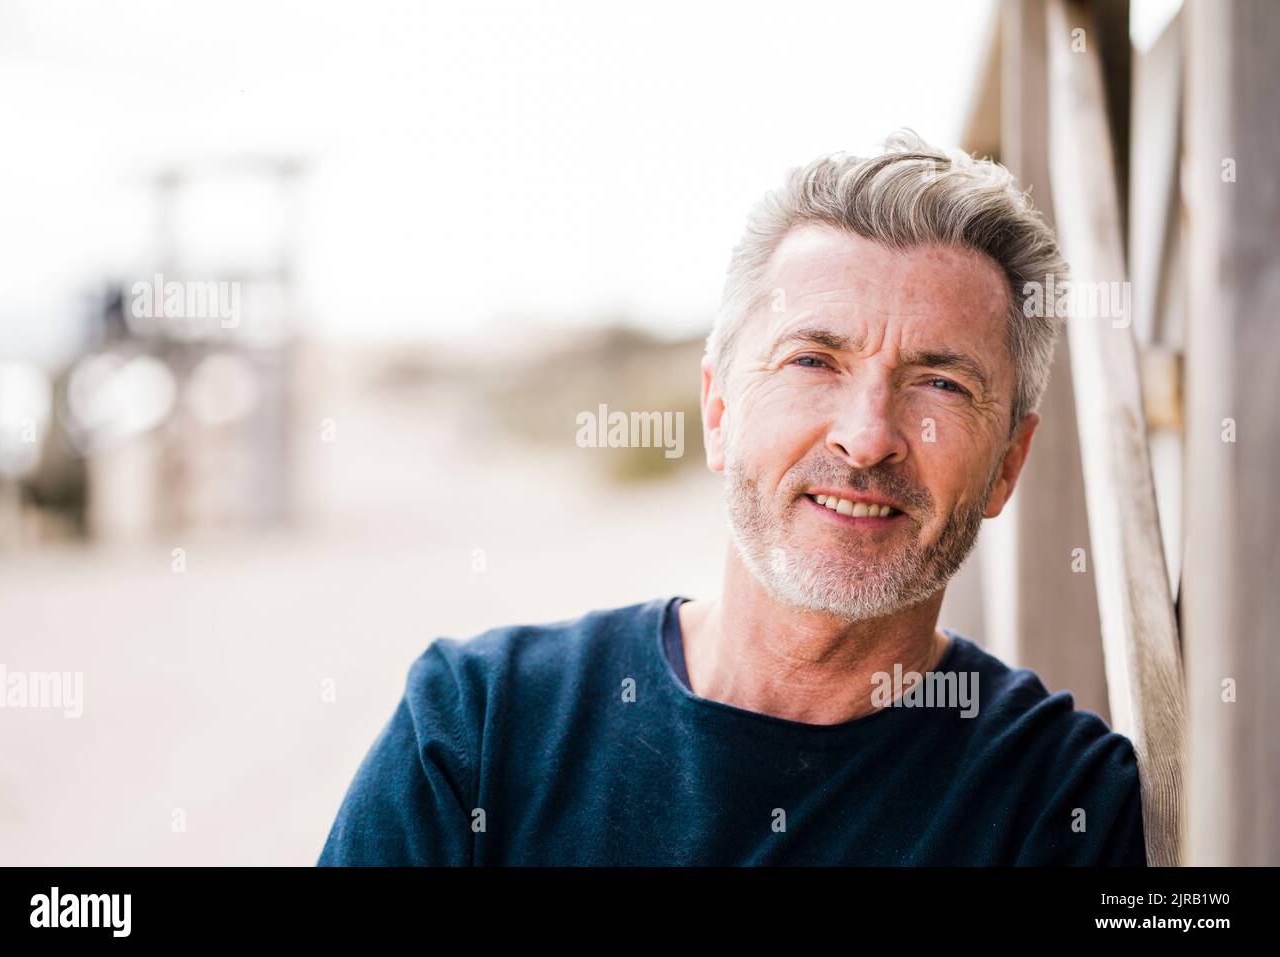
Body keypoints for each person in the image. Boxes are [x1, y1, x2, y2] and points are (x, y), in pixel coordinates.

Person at [317, 130, 1147, 866]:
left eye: (939, 381)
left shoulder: (1063, 804)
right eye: (812, 361)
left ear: (1008, 462)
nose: (867, 437)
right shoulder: (478, 725)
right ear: (718, 413)